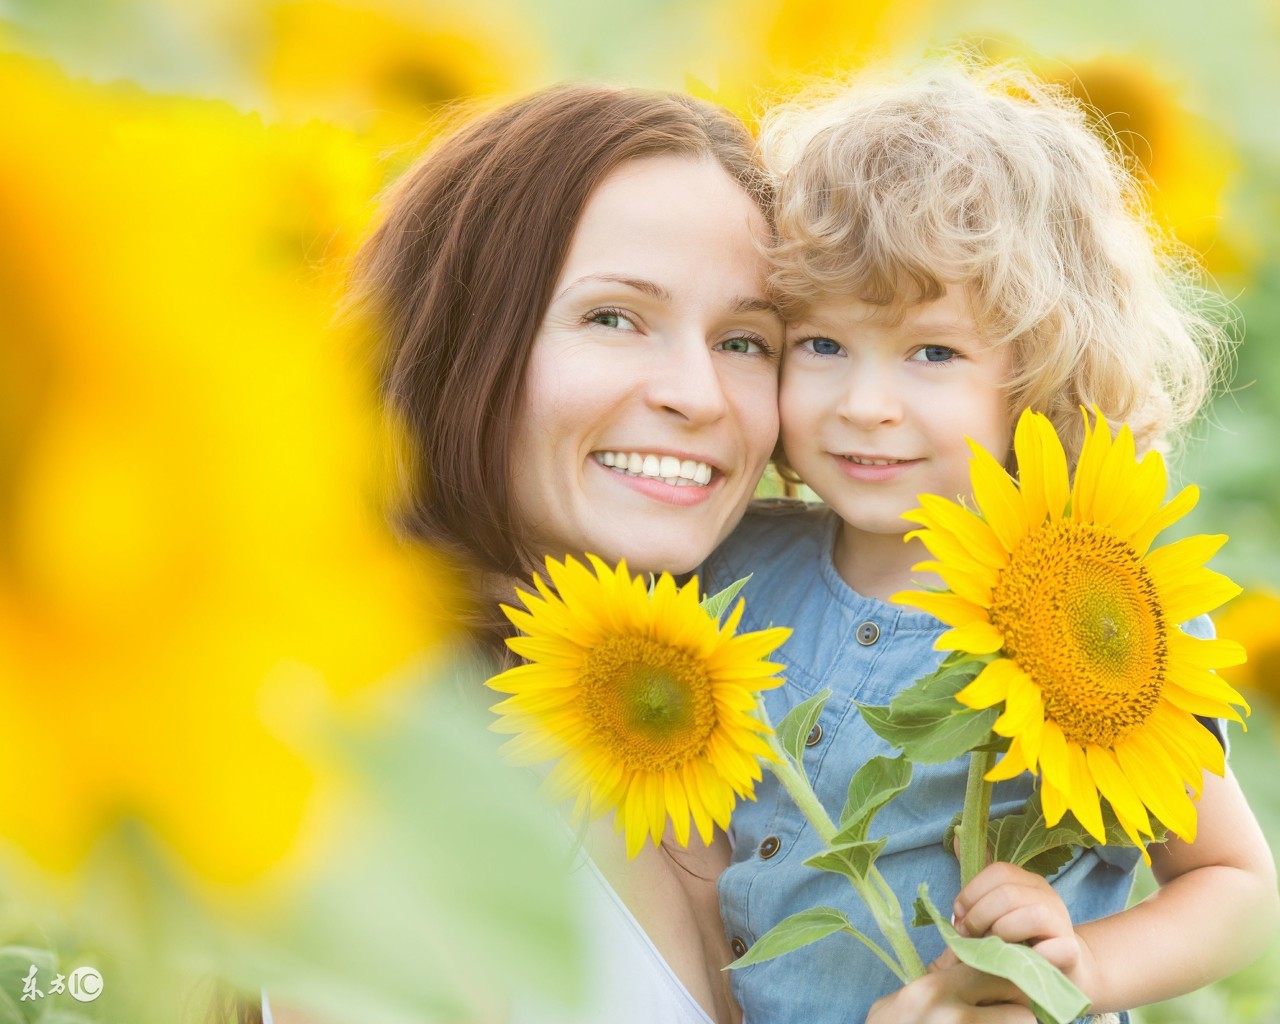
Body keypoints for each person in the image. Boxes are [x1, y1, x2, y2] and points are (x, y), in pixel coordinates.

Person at [292, 82, 1037, 1024]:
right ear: (459, 341)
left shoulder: (797, 714)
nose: (699, 394)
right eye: (614, 317)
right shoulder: (377, 779)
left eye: (745, 340)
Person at [705, 60, 1279, 1024]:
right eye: (822, 345)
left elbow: (1235, 887)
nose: (866, 405)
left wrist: (1072, 965)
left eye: (934, 352)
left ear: (1039, 374)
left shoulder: (1098, 624)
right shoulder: (733, 564)